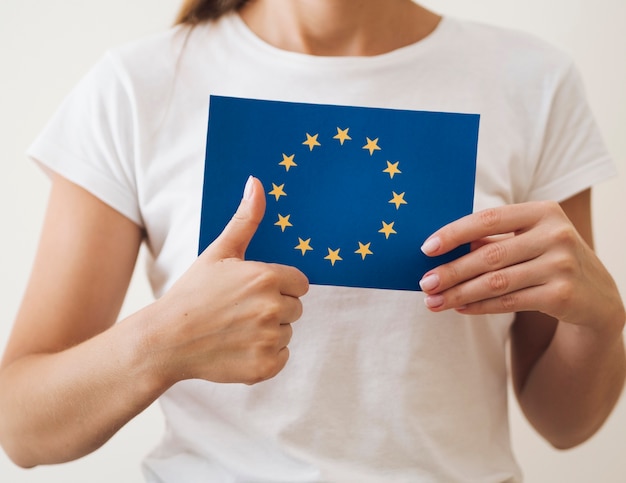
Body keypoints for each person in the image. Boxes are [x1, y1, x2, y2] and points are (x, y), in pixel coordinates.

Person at [0, 0, 624, 481]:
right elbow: (22, 426)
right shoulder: (138, 85)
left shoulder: (532, 80)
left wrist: (600, 321)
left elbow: (565, 424)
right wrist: (161, 342)